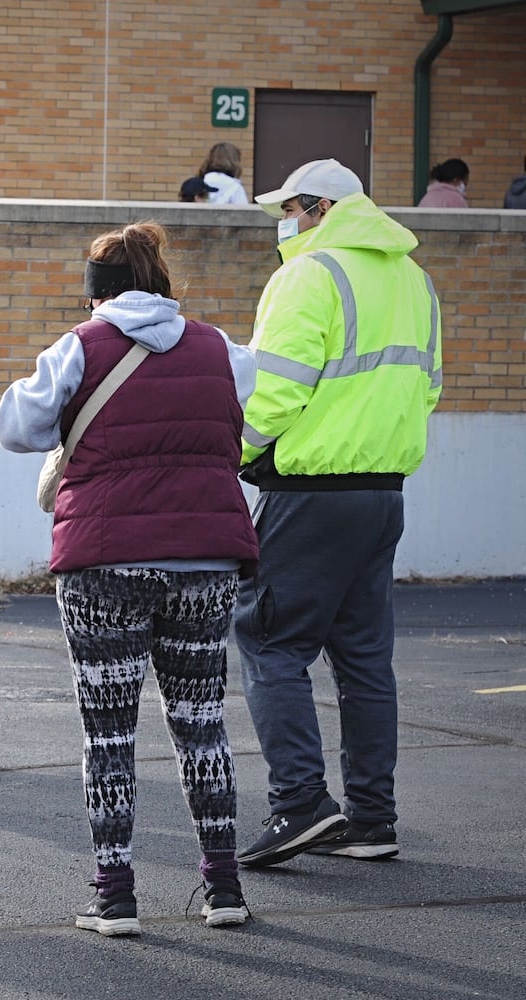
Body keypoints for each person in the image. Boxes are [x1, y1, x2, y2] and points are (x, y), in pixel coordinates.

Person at [0, 221, 259, 935]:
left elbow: (17, 427)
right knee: (202, 724)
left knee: (107, 734)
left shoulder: (80, 347)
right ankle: (224, 887)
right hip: (206, 557)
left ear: (98, 291)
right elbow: (256, 420)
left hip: (104, 561)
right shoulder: (219, 348)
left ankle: (114, 895)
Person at [236, 159, 443, 867]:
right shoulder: (414, 280)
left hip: (312, 493)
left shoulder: (310, 275)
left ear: (321, 207)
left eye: (290, 209)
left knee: (271, 642)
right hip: (384, 492)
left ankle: (299, 806)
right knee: (363, 660)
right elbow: (430, 387)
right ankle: (372, 819)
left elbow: (275, 390)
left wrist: (232, 455)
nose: (282, 224)